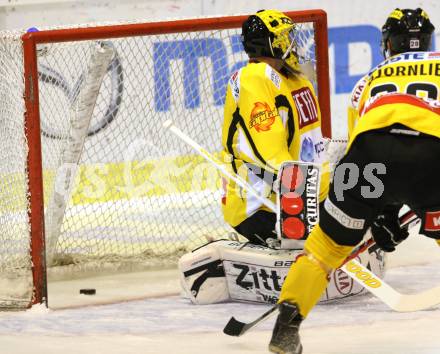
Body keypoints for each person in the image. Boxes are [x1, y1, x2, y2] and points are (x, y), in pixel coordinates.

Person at [269, 8, 440, 354]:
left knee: (325, 249)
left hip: (367, 155)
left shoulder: (369, 79)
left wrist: (380, 212)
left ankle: (287, 322)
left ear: (387, 44)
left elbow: (363, 146)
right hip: (431, 152)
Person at [221, 9, 329, 246]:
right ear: (271, 44)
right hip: (260, 204)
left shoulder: (296, 79)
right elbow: (266, 151)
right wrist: (302, 197)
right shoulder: (255, 78)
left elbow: (311, 143)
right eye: (285, 37)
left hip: (299, 197)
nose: (292, 43)